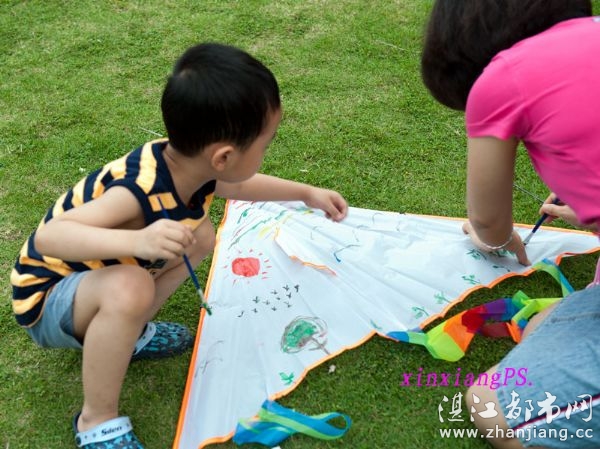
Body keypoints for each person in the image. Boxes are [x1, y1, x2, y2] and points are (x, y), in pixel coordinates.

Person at [10, 42, 348, 449]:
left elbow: (240, 186)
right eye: (265, 143)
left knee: (199, 235)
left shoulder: (190, 167)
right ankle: (95, 420)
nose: (266, 150)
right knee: (131, 285)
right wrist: (138, 239)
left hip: (93, 281)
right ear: (223, 156)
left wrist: (306, 192)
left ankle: (127, 335)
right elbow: (50, 236)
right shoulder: (137, 190)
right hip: (47, 300)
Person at [421, 1, 600, 448]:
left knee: (489, 403)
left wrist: (492, 236)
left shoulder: (501, 78)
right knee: (541, 326)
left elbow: (487, 219)